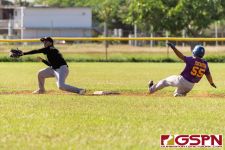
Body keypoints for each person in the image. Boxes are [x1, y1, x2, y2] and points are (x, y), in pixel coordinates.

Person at [22, 37, 86, 95]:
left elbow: (36, 51)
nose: (44, 43)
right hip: (54, 69)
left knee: (61, 86)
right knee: (40, 74)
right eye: (44, 42)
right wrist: (42, 60)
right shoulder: (49, 51)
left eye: (46, 41)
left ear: (50, 43)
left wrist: (23, 53)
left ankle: (80, 90)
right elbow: (51, 65)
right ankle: (41, 90)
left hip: (62, 69)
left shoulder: (51, 49)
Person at [148, 42, 216, 97]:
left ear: (194, 52)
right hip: (190, 86)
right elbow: (208, 75)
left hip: (181, 81)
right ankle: (180, 94)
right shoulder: (205, 64)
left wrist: (174, 48)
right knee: (176, 94)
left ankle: (151, 89)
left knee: (164, 81)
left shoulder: (191, 60)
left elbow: (180, 56)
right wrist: (211, 83)